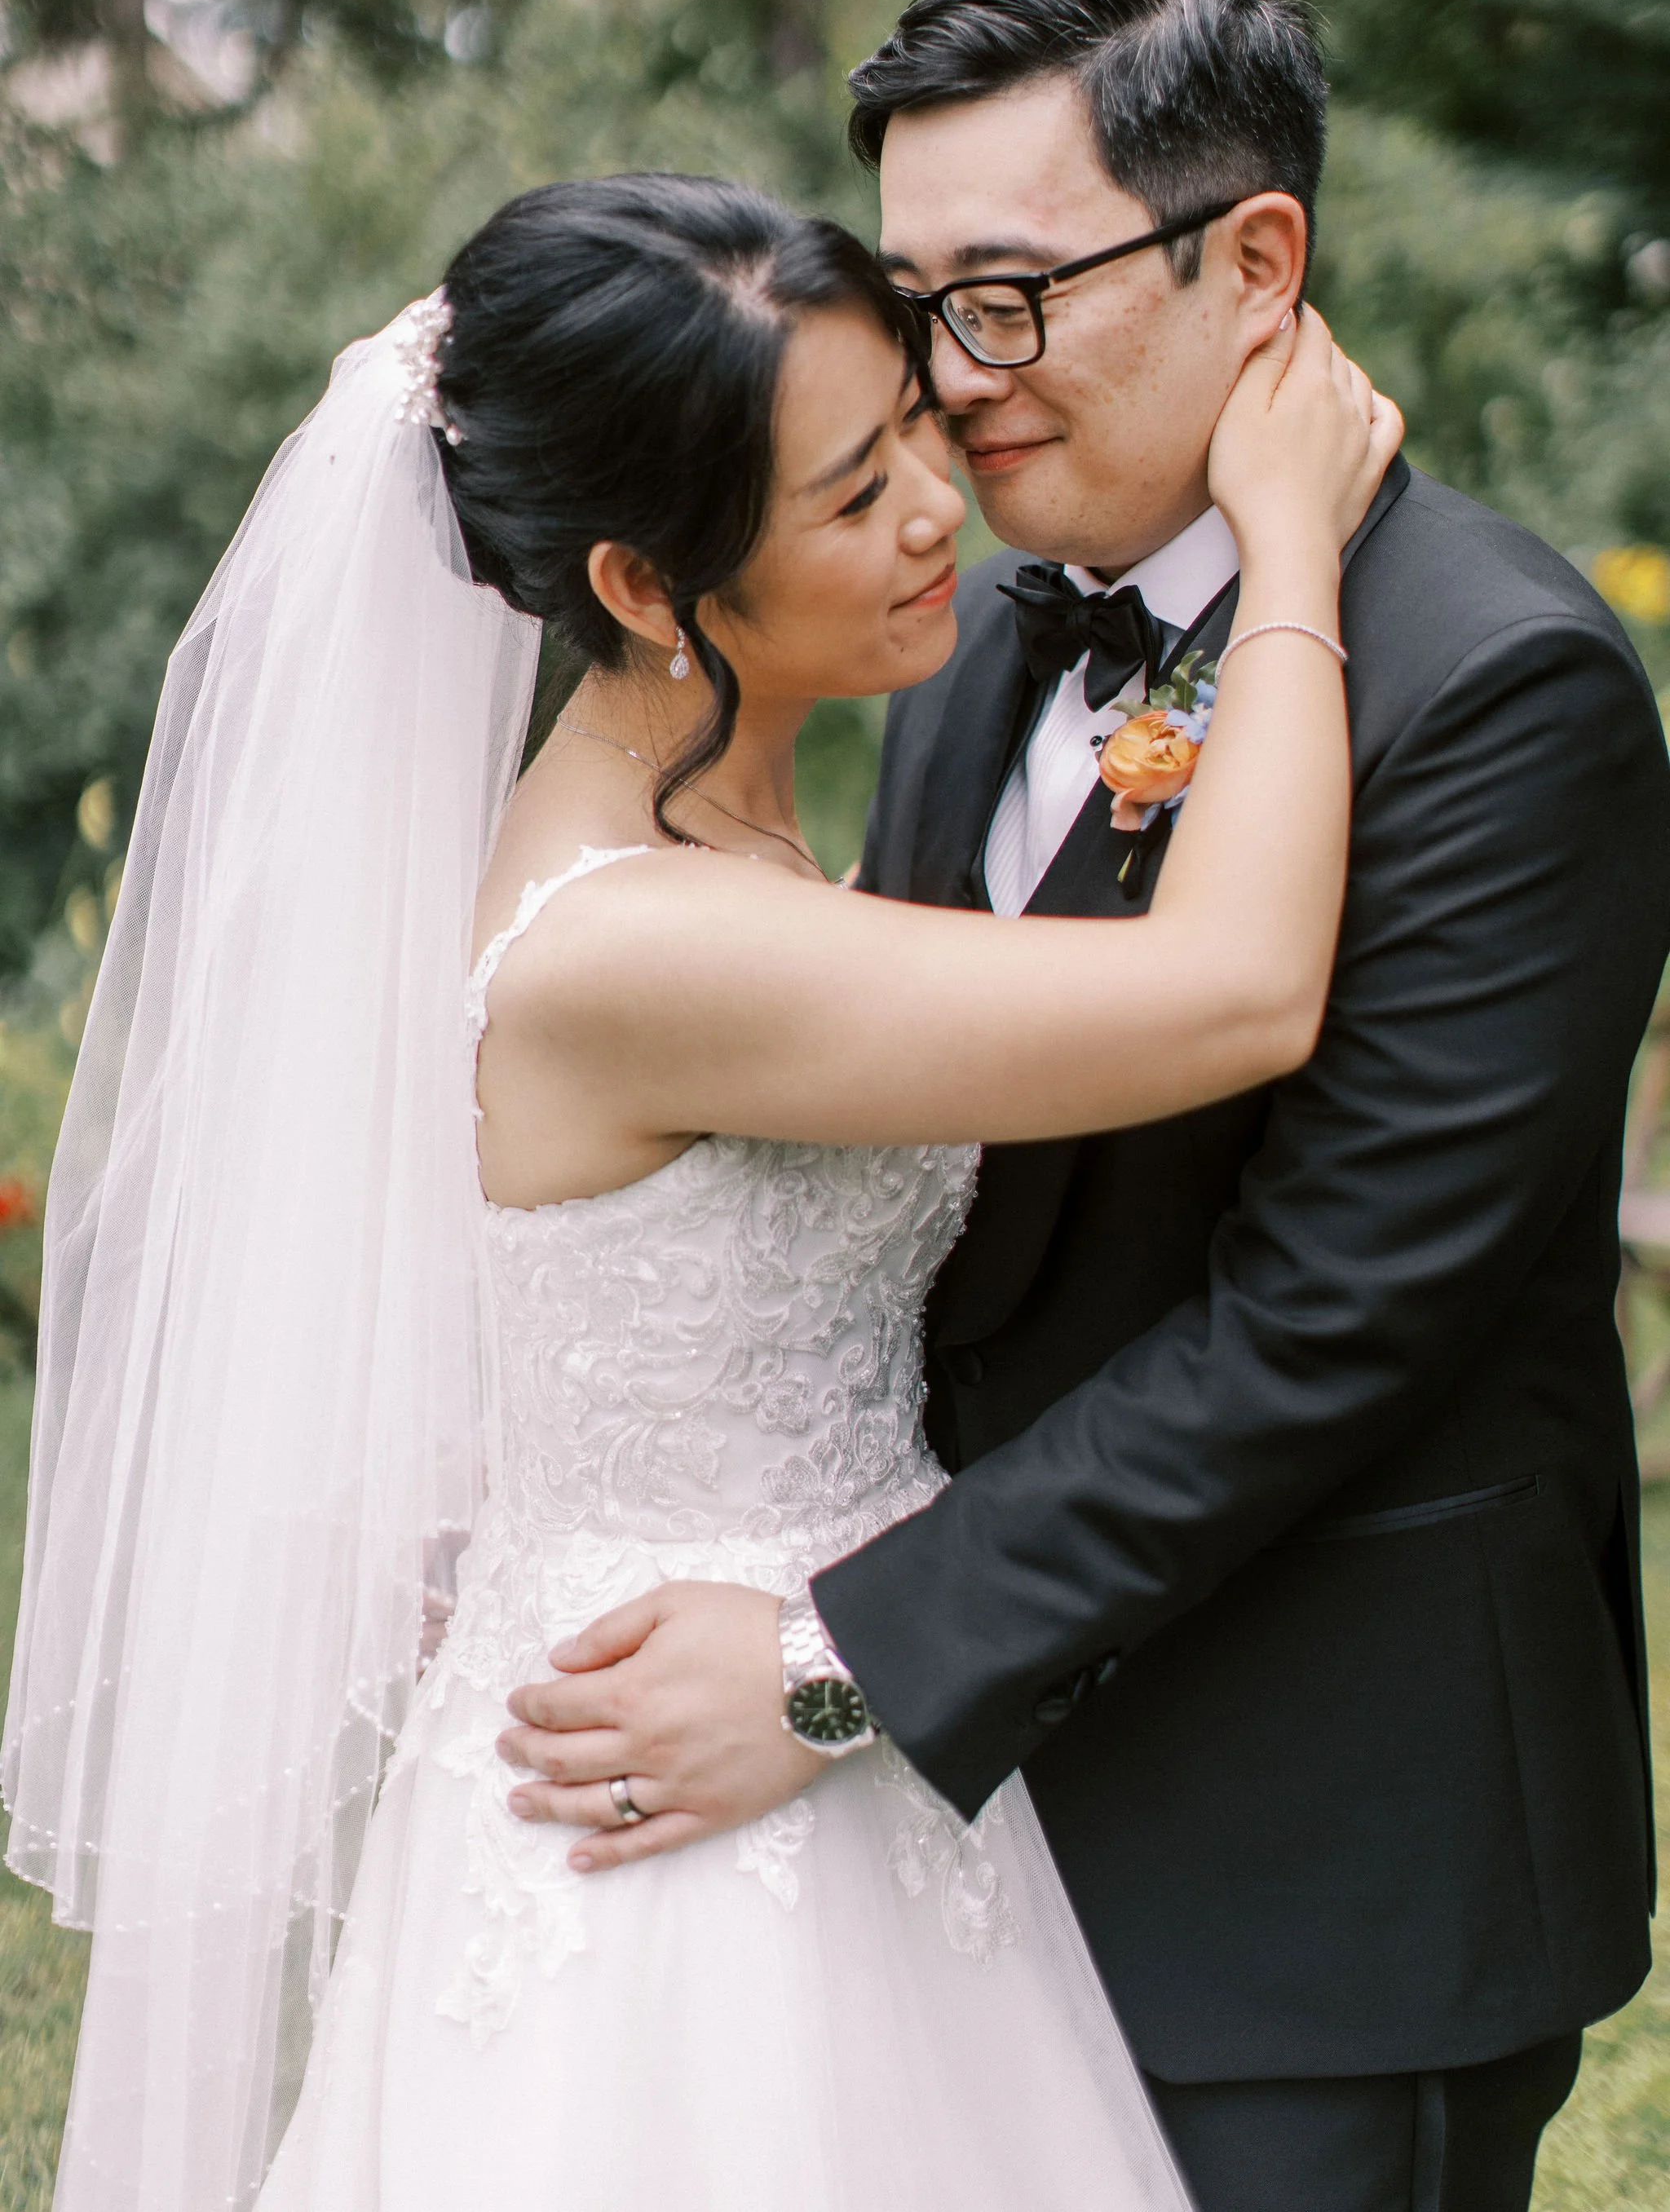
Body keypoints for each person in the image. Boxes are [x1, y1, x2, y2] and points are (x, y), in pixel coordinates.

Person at [4, 163, 1394, 2209]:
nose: (932, 504)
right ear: (647, 586)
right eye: (849, 492)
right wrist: (1284, 542)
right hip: (675, 1817)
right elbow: (1241, 990)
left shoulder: (719, 841)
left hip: (809, 1716)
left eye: (911, 425)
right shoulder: (638, 945)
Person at [500, 0, 1670, 2212]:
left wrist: (836, 1664)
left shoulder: (1500, 685)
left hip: (1312, 1866)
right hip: (950, 1853)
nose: (954, 380)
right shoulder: (965, 629)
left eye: (1013, 297)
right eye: (920, 300)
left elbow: (1324, 1320)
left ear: (1258, 262)